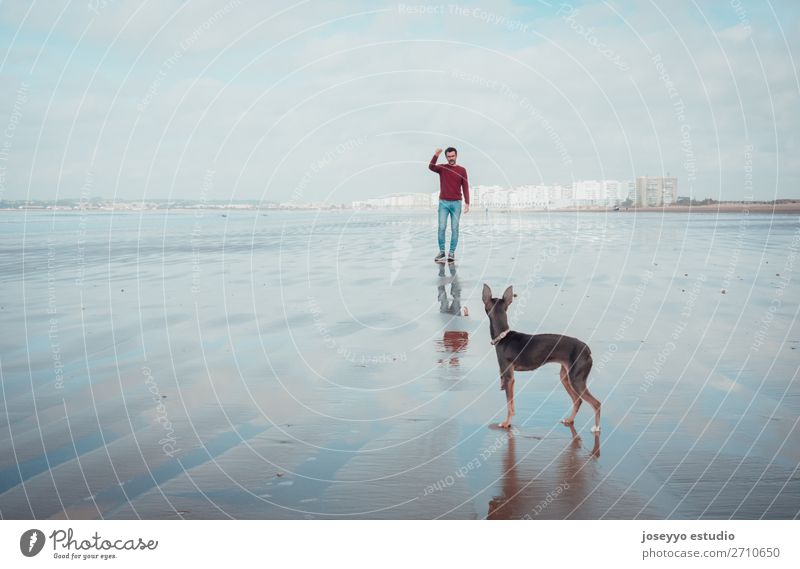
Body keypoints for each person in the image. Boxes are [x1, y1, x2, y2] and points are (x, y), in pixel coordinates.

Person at [429, 147, 469, 263]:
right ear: (446, 157)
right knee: (441, 228)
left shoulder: (462, 170)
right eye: (449, 156)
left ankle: (451, 253)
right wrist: (436, 155)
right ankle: (442, 252)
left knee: (455, 229)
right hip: (443, 203)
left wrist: (467, 202)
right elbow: (431, 167)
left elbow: (465, 186)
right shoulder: (442, 168)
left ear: (456, 156)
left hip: (457, 203)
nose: (451, 158)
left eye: (453, 156)